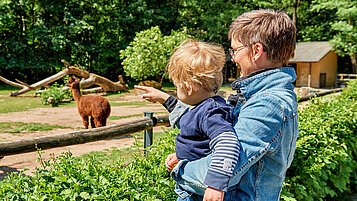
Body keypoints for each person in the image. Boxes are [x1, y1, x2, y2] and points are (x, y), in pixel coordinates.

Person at [136, 9, 299, 201]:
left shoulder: (268, 105)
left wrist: (181, 168)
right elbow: (201, 123)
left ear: (256, 51)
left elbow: (222, 169)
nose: (234, 58)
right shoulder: (258, 97)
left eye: (235, 50)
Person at [137, 38, 240, 200]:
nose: (177, 90)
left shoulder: (211, 112)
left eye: (177, 86)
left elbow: (227, 143)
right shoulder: (208, 107)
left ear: (189, 87)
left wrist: (215, 184)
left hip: (200, 194)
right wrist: (183, 155)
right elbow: (201, 139)